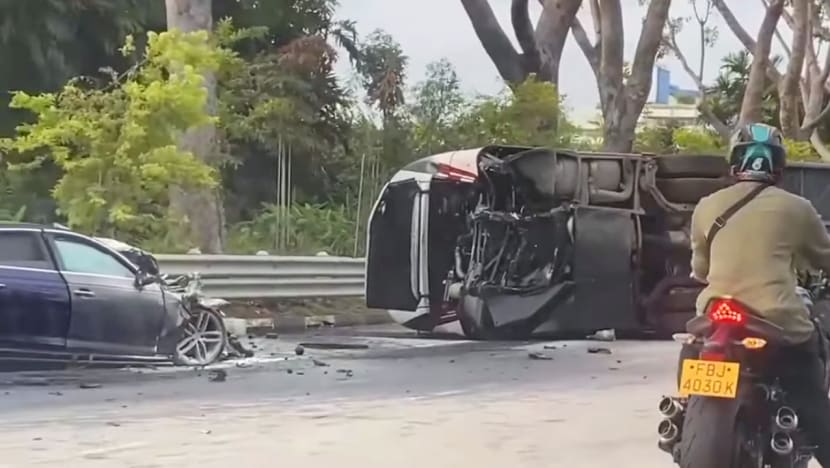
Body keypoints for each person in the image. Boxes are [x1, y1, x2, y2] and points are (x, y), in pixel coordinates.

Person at [685, 122, 830, 465]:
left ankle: (686, 406)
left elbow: (701, 269)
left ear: (735, 163)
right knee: (809, 384)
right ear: (779, 167)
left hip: (715, 314)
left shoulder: (707, 205)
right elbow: (824, 257)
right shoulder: (798, 208)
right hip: (774, 317)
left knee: (693, 349)